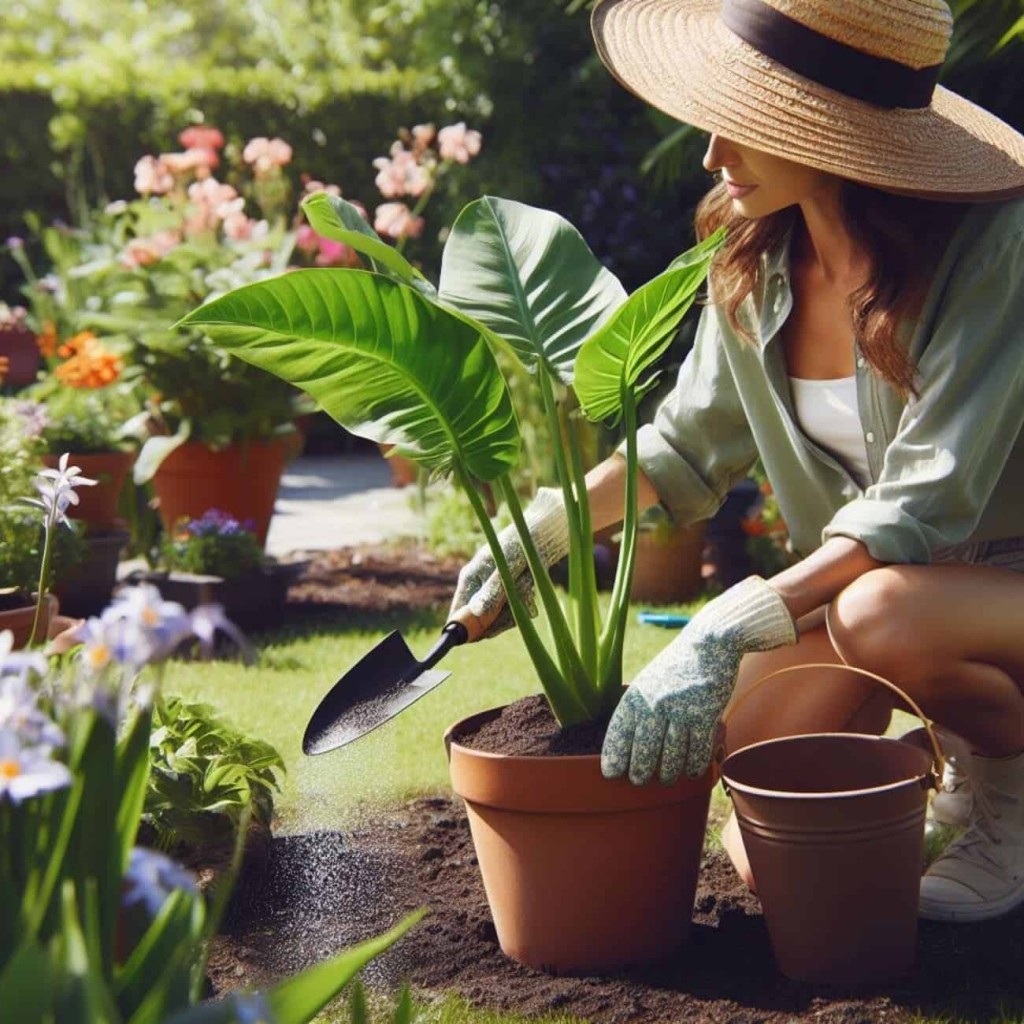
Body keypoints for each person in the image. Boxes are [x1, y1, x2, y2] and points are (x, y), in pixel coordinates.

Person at [449, 0, 1024, 924]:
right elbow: (685, 446)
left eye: (748, 122)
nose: (714, 153)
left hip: (993, 592)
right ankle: (934, 763)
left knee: (878, 611)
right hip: (890, 603)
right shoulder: (756, 259)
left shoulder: (995, 245)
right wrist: (546, 529)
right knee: (754, 806)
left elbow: (927, 495)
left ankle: (1010, 796)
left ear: (837, 130)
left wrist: (729, 622)